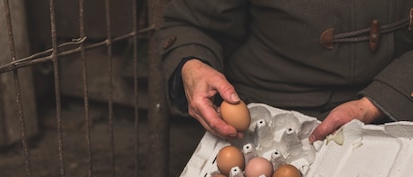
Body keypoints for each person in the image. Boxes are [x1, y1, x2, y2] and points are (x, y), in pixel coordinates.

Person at [158, 1, 413, 142]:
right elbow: (192, 23)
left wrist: (378, 102)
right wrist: (192, 65)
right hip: (267, 114)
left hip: (394, 107)